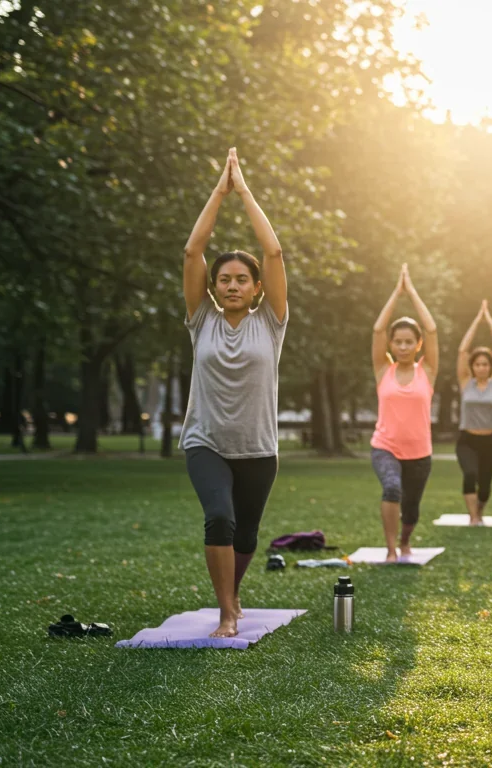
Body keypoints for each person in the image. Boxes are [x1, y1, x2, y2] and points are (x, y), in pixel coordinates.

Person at [181, 148, 289, 638]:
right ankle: (226, 612)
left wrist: (244, 190)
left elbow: (275, 253)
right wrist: (218, 192)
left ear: (257, 287)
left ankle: (234, 592)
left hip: (258, 448)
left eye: (241, 279)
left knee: (246, 534)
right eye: (223, 279)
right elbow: (192, 252)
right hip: (205, 440)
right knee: (219, 519)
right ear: (213, 287)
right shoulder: (200, 319)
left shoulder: (272, 322)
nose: (231, 285)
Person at [370, 264, 438, 561]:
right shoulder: (383, 369)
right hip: (385, 447)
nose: (403, 346)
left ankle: (405, 541)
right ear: (391, 344)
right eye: (398, 341)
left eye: (409, 341)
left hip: (420, 453)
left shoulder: (428, 371)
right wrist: (396, 295)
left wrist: (412, 292)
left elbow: (432, 329)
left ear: (418, 344)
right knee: (392, 488)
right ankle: (390, 549)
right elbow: (377, 329)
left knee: (411, 508)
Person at [455, 300, 492, 526]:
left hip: (490, 441)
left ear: (491, 367)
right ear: (472, 366)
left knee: (485, 484)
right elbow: (462, 351)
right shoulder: (465, 383)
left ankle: (479, 512)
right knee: (470, 475)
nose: (481, 368)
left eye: (485, 364)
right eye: (477, 364)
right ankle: (473, 517)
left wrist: (490, 321)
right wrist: (477, 321)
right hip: (467, 440)